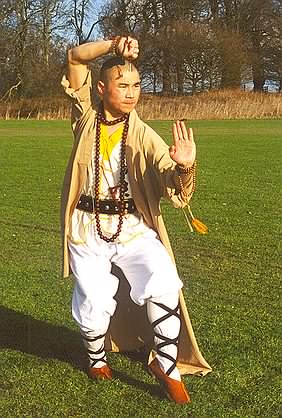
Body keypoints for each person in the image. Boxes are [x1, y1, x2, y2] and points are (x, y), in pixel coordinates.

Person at [61, 35, 211, 405]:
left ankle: (166, 364)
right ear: (101, 87)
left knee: (163, 277)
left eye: (137, 85)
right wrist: (113, 45)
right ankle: (96, 358)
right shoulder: (85, 118)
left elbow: (172, 184)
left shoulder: (145, 135)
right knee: (94, 303)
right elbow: (75, 58)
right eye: (122, 85)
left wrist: (185, 166)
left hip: (131, 227)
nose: (131, 93)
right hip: (87, 226)